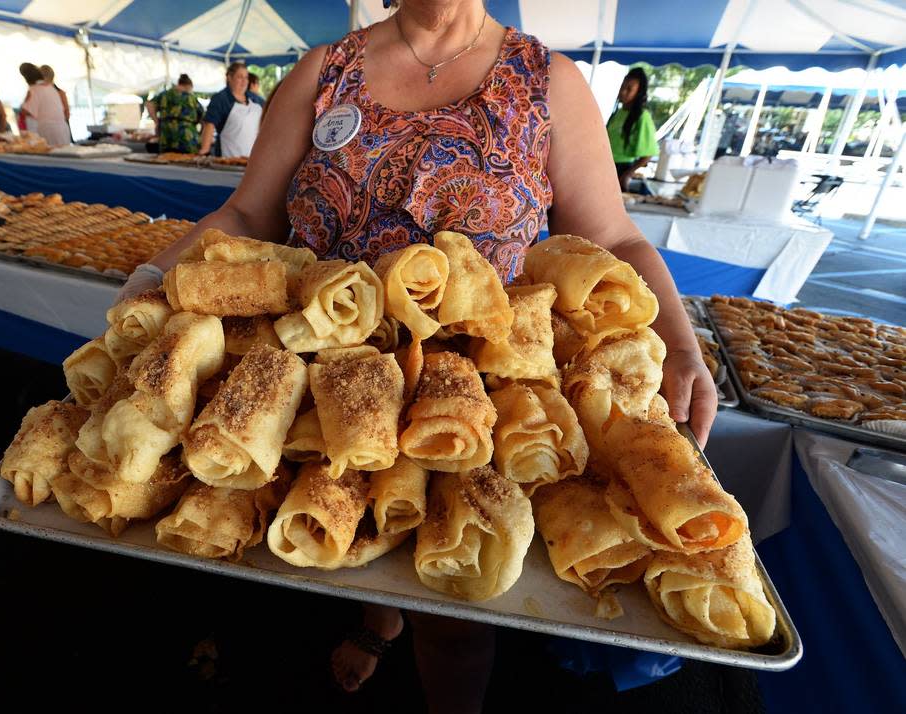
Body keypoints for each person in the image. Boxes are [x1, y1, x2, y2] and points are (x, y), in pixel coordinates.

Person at [127, 2, 717, 711]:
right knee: (321, 547)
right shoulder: (324, 70)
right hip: (321, 389)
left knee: (455, 601)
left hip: (473, 394)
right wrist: (149, 279)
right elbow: (250, 214)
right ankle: (374, 621)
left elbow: (614, 240)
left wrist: (682, 345)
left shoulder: (547, 81)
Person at [608, 67, 658, 191]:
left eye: (629, 89)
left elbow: (648, 155)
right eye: (622, 87)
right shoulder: (618, 112)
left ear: (638, 93)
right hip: (607, 166)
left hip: (622, 168)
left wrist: (627, 174)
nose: (623, 92)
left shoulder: (642, 116)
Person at [199, 62, 262, 157]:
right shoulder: (221, 99)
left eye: (246, 77)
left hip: (253, 158)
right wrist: (205, 150)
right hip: (228, 158)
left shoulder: (255, 99)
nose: (244, 81)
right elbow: (209, 125)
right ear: (229, 78)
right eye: (240, 77)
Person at [147, 74, 204, 154]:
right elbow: (204, 119)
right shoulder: (191, 98)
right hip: (187, 138)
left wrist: (156, 121)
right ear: (189, 86)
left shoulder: (164, 95)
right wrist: (200, 135)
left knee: (166, 161)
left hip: (166, 136)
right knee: (188, 163)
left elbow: (149, 104)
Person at [19, 62, 71, 147]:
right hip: (62, 129)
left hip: (47, 131)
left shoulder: (34, 90)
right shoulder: (51, 88)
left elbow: (27, 112)